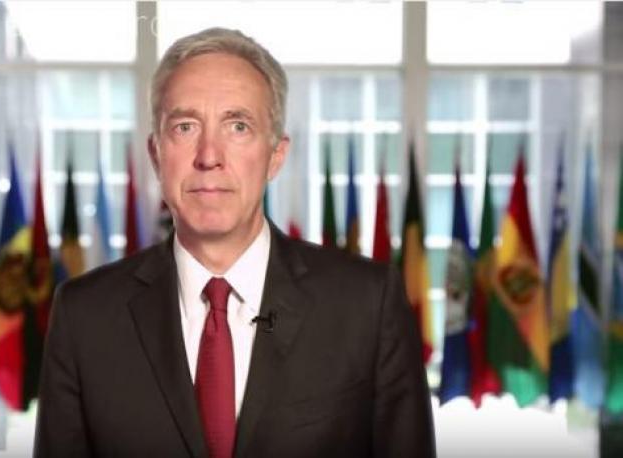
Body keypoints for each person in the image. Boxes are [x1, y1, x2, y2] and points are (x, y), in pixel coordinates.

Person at [34, 27, 435, 457]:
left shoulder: (368, 305)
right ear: (156, 154)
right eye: (185, 127)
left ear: (275, 156)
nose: (209, 156)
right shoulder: (84, 316)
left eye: (238, 126)